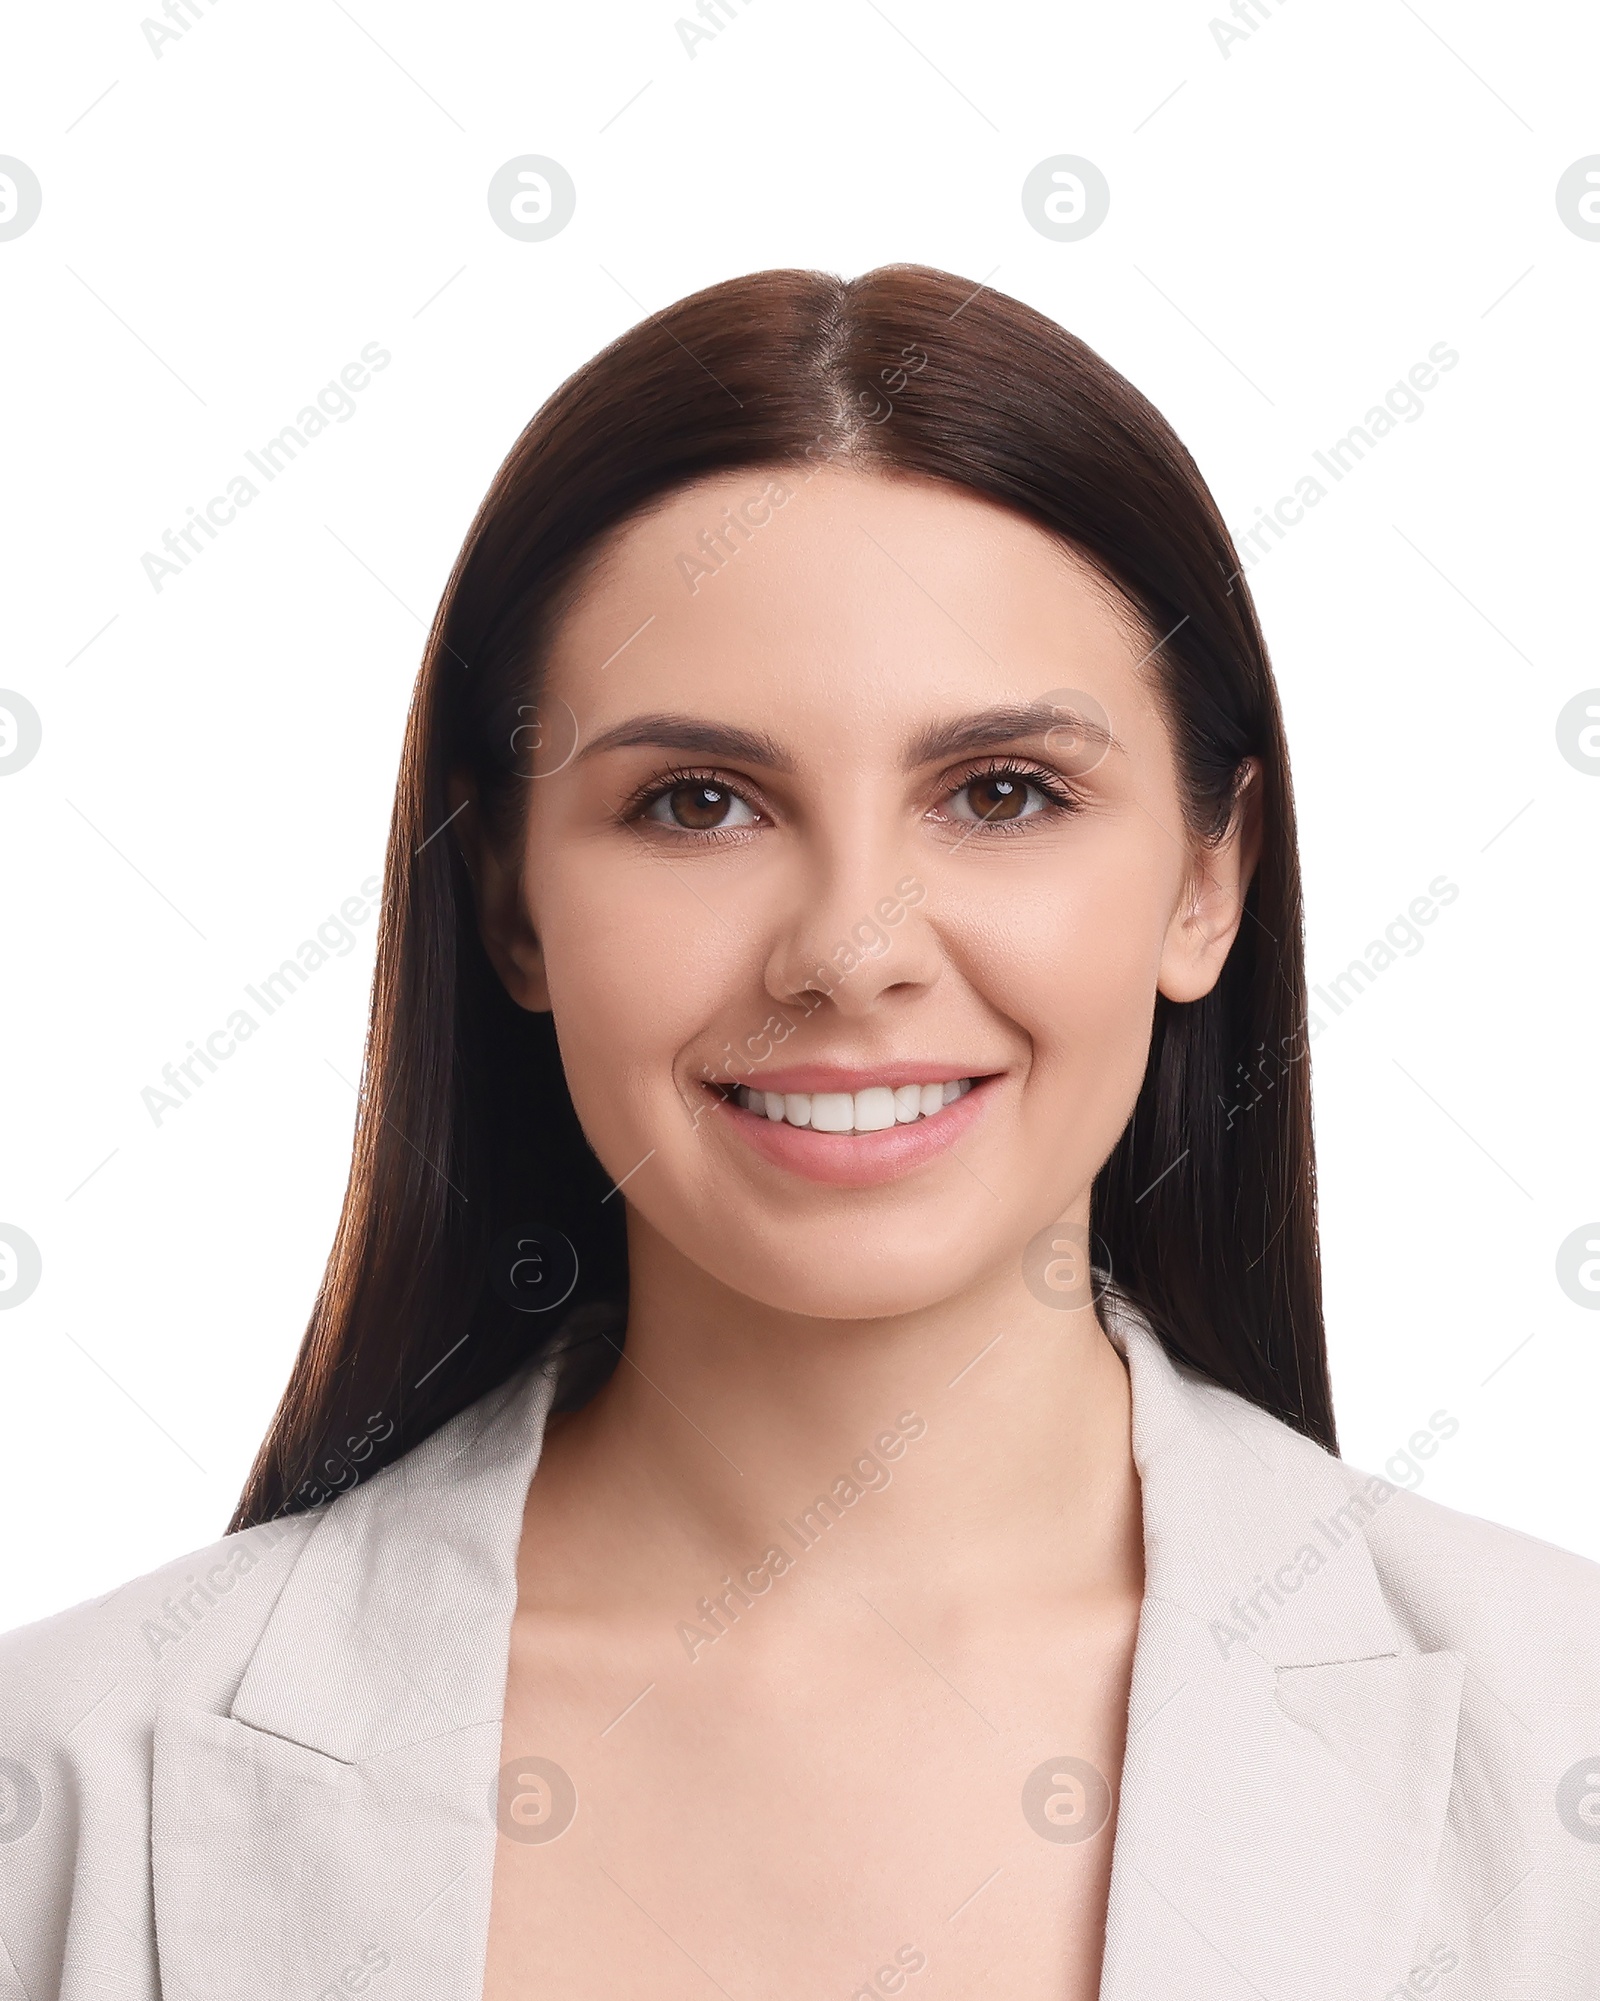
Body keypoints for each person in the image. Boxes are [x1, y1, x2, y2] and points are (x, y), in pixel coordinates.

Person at [2, 265, 1597, 2000]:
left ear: (1207, 878)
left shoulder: (1559, 1742)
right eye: (697, 802)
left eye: (1004, 793)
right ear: (512, 902)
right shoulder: (72, 1780)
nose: (850, 951)